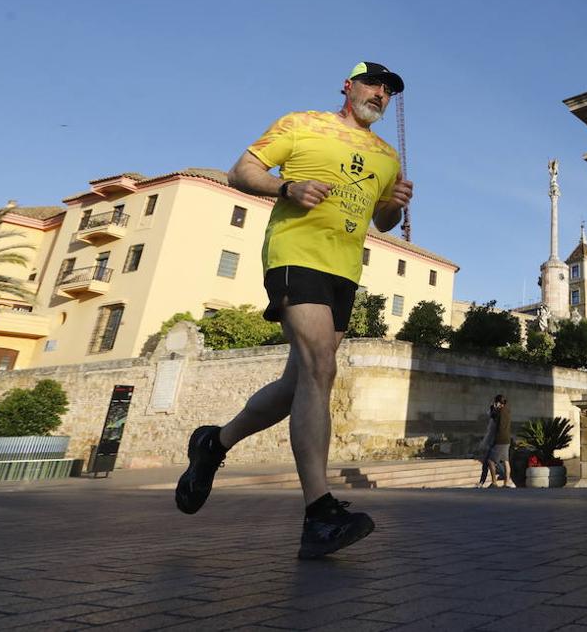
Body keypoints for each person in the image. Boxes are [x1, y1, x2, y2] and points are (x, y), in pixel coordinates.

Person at [174, 61, 413, 560]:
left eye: (389, 90)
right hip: (294, 255)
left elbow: (384, 222)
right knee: (321, 367)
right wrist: (287, 188)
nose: (381, 94)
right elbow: (243, 170)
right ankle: (319, 513)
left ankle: (213, 444)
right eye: (373, 83)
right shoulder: (300, 124)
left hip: (345, 271)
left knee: (298, 382)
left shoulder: (387, 155)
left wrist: (396, 203)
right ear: (348, 86)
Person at [475, 398, 501, 489]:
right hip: (490, 444)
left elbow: (492, 433)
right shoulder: (492, 420)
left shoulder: (496, 419)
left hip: (494, 444)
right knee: (486, 463)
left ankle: (495, 481)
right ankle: (482, 482)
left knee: (491, 462)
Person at [489, 394, 512, 487]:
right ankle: (506, 483)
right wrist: (494, 409)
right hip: (506, 439)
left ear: (499, 403)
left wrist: (495, 440)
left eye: (496, 402)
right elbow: (495, 418)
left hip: (500, 440)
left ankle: (494, 482)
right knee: (506, 461)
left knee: (491, 461)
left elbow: (497, 422)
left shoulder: (501, 412)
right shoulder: (507, 410)